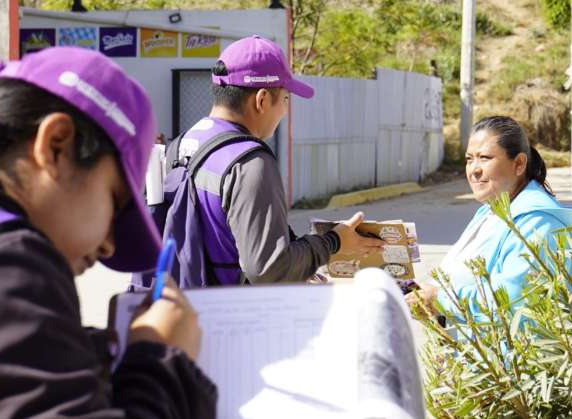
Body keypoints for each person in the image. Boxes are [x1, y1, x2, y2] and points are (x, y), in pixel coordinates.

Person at [0, 47, 216, 418]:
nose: (108, 245)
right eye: (116, 202)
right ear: (57, 146)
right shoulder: (6, 264)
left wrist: (70, 354)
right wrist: (162, 360)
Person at [134, 35, 384, 288]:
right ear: (262, 99)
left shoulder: (179, 146)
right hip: (229, 318)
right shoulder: (250, 163)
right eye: (285, 99)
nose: (285, 110)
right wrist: (333, 243)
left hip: (182, 311)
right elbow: (268, 269)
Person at [406, 116, 572, 320]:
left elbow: (515, 301)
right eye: (469, 159)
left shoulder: (538, 221)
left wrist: (441, 300)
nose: (474, 170)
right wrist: (426, 296)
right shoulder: (490, 210)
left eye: (484, 158)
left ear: (519, 164)